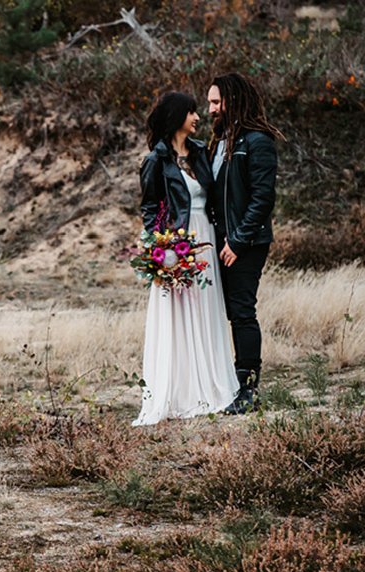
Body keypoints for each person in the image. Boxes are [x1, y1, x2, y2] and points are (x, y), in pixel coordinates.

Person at [133, 91, 238, 427]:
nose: (198, 117)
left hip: (205, 237)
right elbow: (150, 209)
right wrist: (162, 249)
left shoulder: (199, 154)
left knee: (206, 309)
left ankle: (210, 383)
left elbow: (211, 196)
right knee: (179, 314)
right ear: (178, 116)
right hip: (177, 243)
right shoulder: (155, 160)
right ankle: (180, 392)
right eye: (192, 112)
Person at [207, 73, 282, 414]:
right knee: (219, 313)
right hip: (219, 241)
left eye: (216, 102)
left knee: (241, 312)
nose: (211, 109)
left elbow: (263, 198)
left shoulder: (258, 140)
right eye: (209, 103)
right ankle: (223, 383)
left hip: (246, 243)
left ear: (233, 101)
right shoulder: (218, 142)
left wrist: (237, 240)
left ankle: (248, 391)